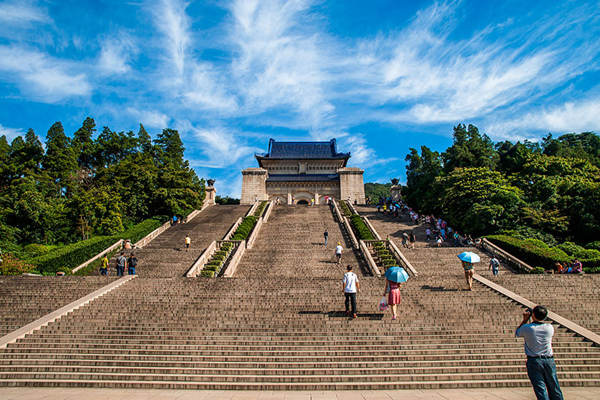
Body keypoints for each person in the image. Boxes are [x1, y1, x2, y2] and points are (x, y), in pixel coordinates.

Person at [516, 305, 564, 400]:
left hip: (534, 361)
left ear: (533, 315)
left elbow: (518, 332)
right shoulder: (549, 328)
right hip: (549, 360)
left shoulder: (528, 328)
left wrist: (525, 319)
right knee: (554, 387)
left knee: (540, 388)